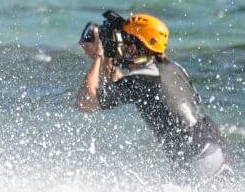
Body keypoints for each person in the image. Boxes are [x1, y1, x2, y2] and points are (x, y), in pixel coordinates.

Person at [76, 11, 232, 180]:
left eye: (127, 41)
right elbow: (122, 85)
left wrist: (99, 56)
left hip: (198, 159)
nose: (123, 47)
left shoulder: (143, 79)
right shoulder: (173, 68)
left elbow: (86, 102)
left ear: (136, 46)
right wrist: (109, 57)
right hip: (216, 151)